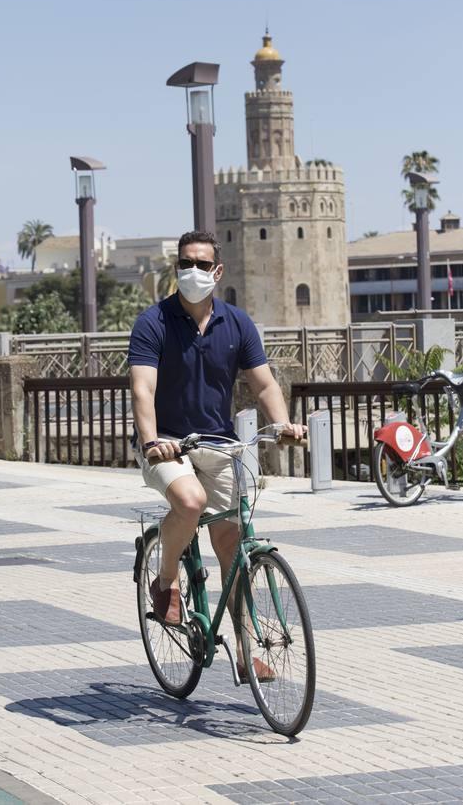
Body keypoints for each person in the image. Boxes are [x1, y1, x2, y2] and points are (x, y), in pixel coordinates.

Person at [128, 230, 305, 678]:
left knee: (232, 544)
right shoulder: (154, 322)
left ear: (218, 272)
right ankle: (166, 582)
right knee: (190, 502)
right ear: (176, 269)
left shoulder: (238, 323)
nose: (193, 272)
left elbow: (263, 384)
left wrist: (282, 424)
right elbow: (142, 389)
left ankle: (246, 652)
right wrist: (152, 441)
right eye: (185, 263)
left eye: (202, 265)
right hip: (167, 443)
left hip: (219, 443)